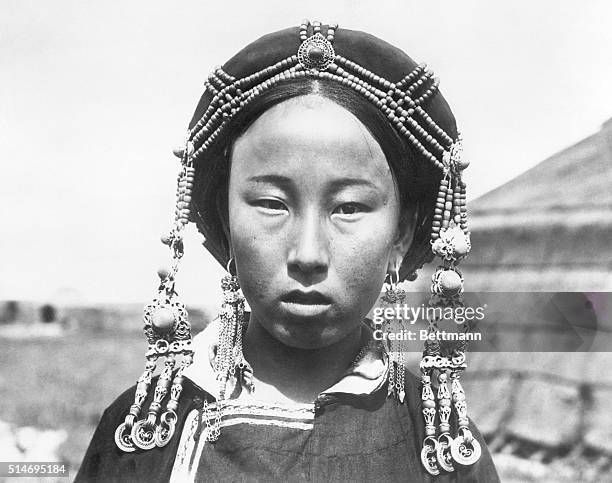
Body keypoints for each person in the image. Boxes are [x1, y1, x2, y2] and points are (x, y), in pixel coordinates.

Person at [76, 20, 499, 482]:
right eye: (272, 204)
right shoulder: (143, 437)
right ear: (224, 218)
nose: (308, 253)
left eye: (350, 207)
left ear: (402, 231)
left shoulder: (443, 452)